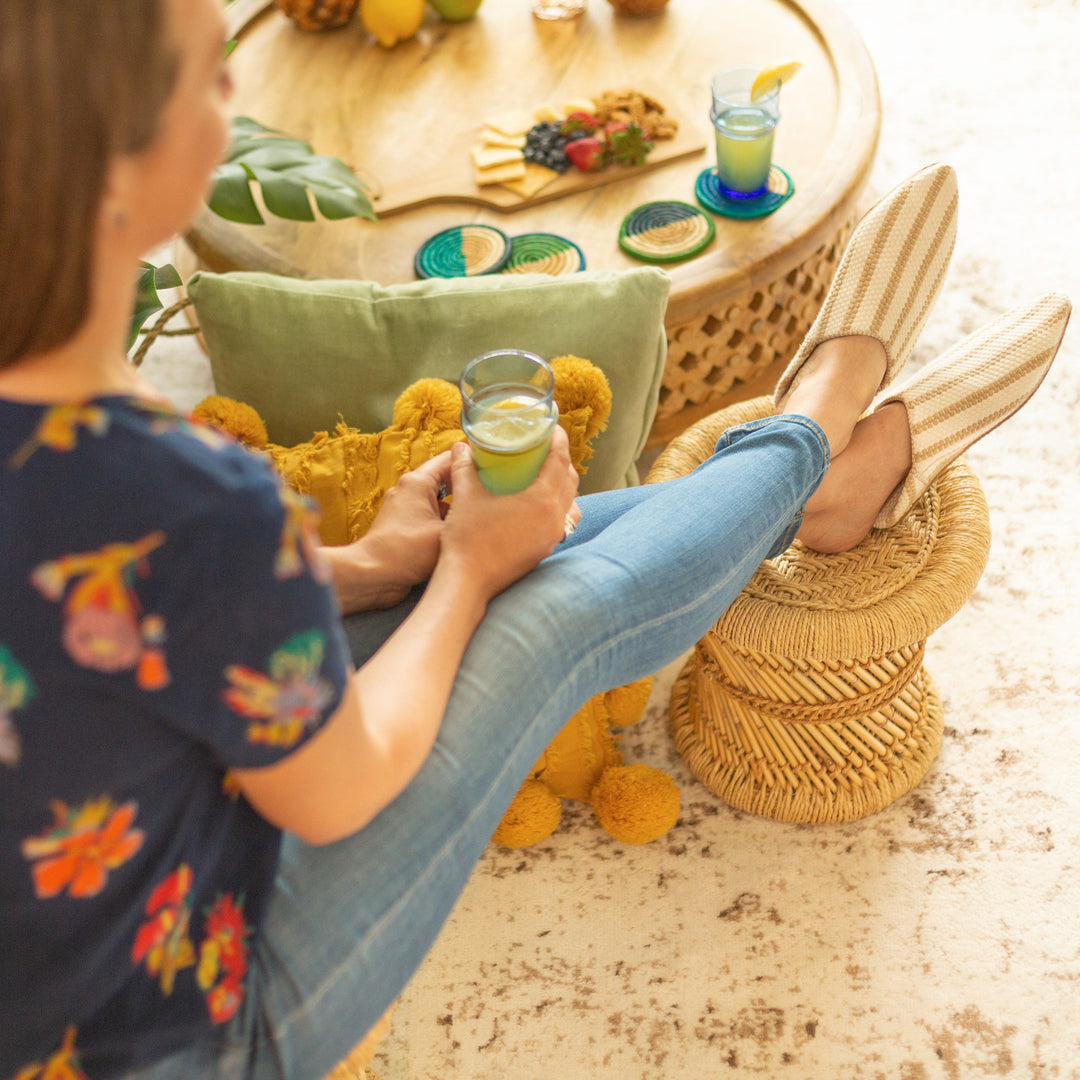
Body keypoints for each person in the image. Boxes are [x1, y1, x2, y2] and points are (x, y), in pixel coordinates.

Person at [0, 1, 1069, 1078]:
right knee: (538, 612)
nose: (230, 98)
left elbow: (120, 595)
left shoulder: (130, 486)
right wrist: (465, 574)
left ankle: (812, 473)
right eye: (204, 77)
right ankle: (820, 429)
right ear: (119, 167)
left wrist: (370, 565)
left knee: (513, 561)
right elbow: (332, 791)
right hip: (169, 1038)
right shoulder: (187, 498)